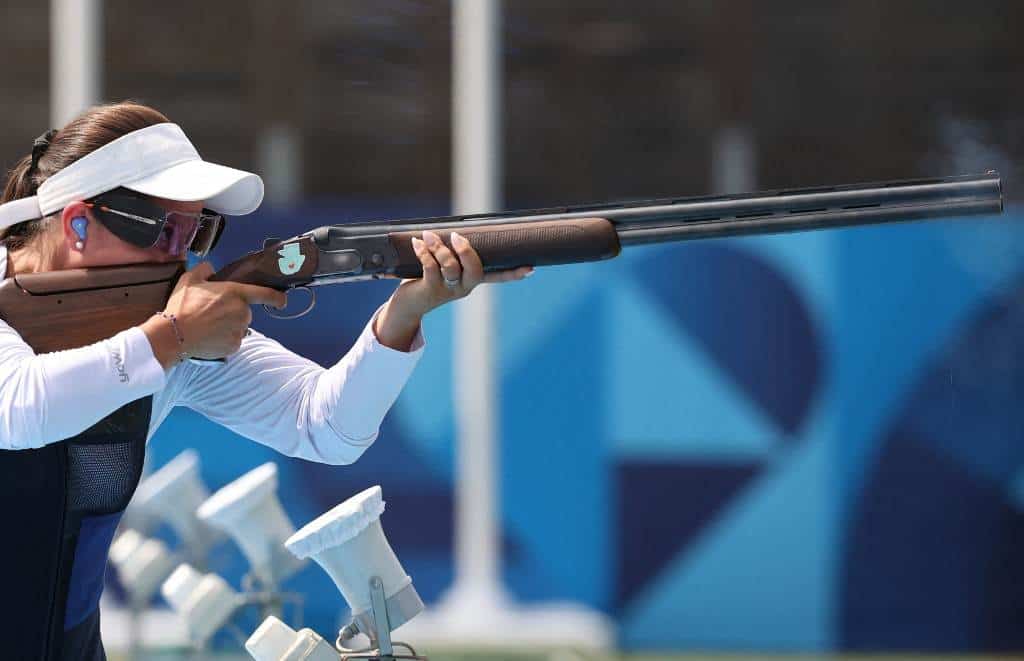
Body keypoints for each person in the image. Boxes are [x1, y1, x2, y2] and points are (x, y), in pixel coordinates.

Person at [0, 101, 532, 660]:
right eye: (164, 230)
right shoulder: (167, 333)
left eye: (199, 230)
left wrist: (405, 314)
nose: (181, 255)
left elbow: (326, 427)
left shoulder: (164, 328)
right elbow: (17, 408)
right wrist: (172, 337)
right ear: (78, 222)